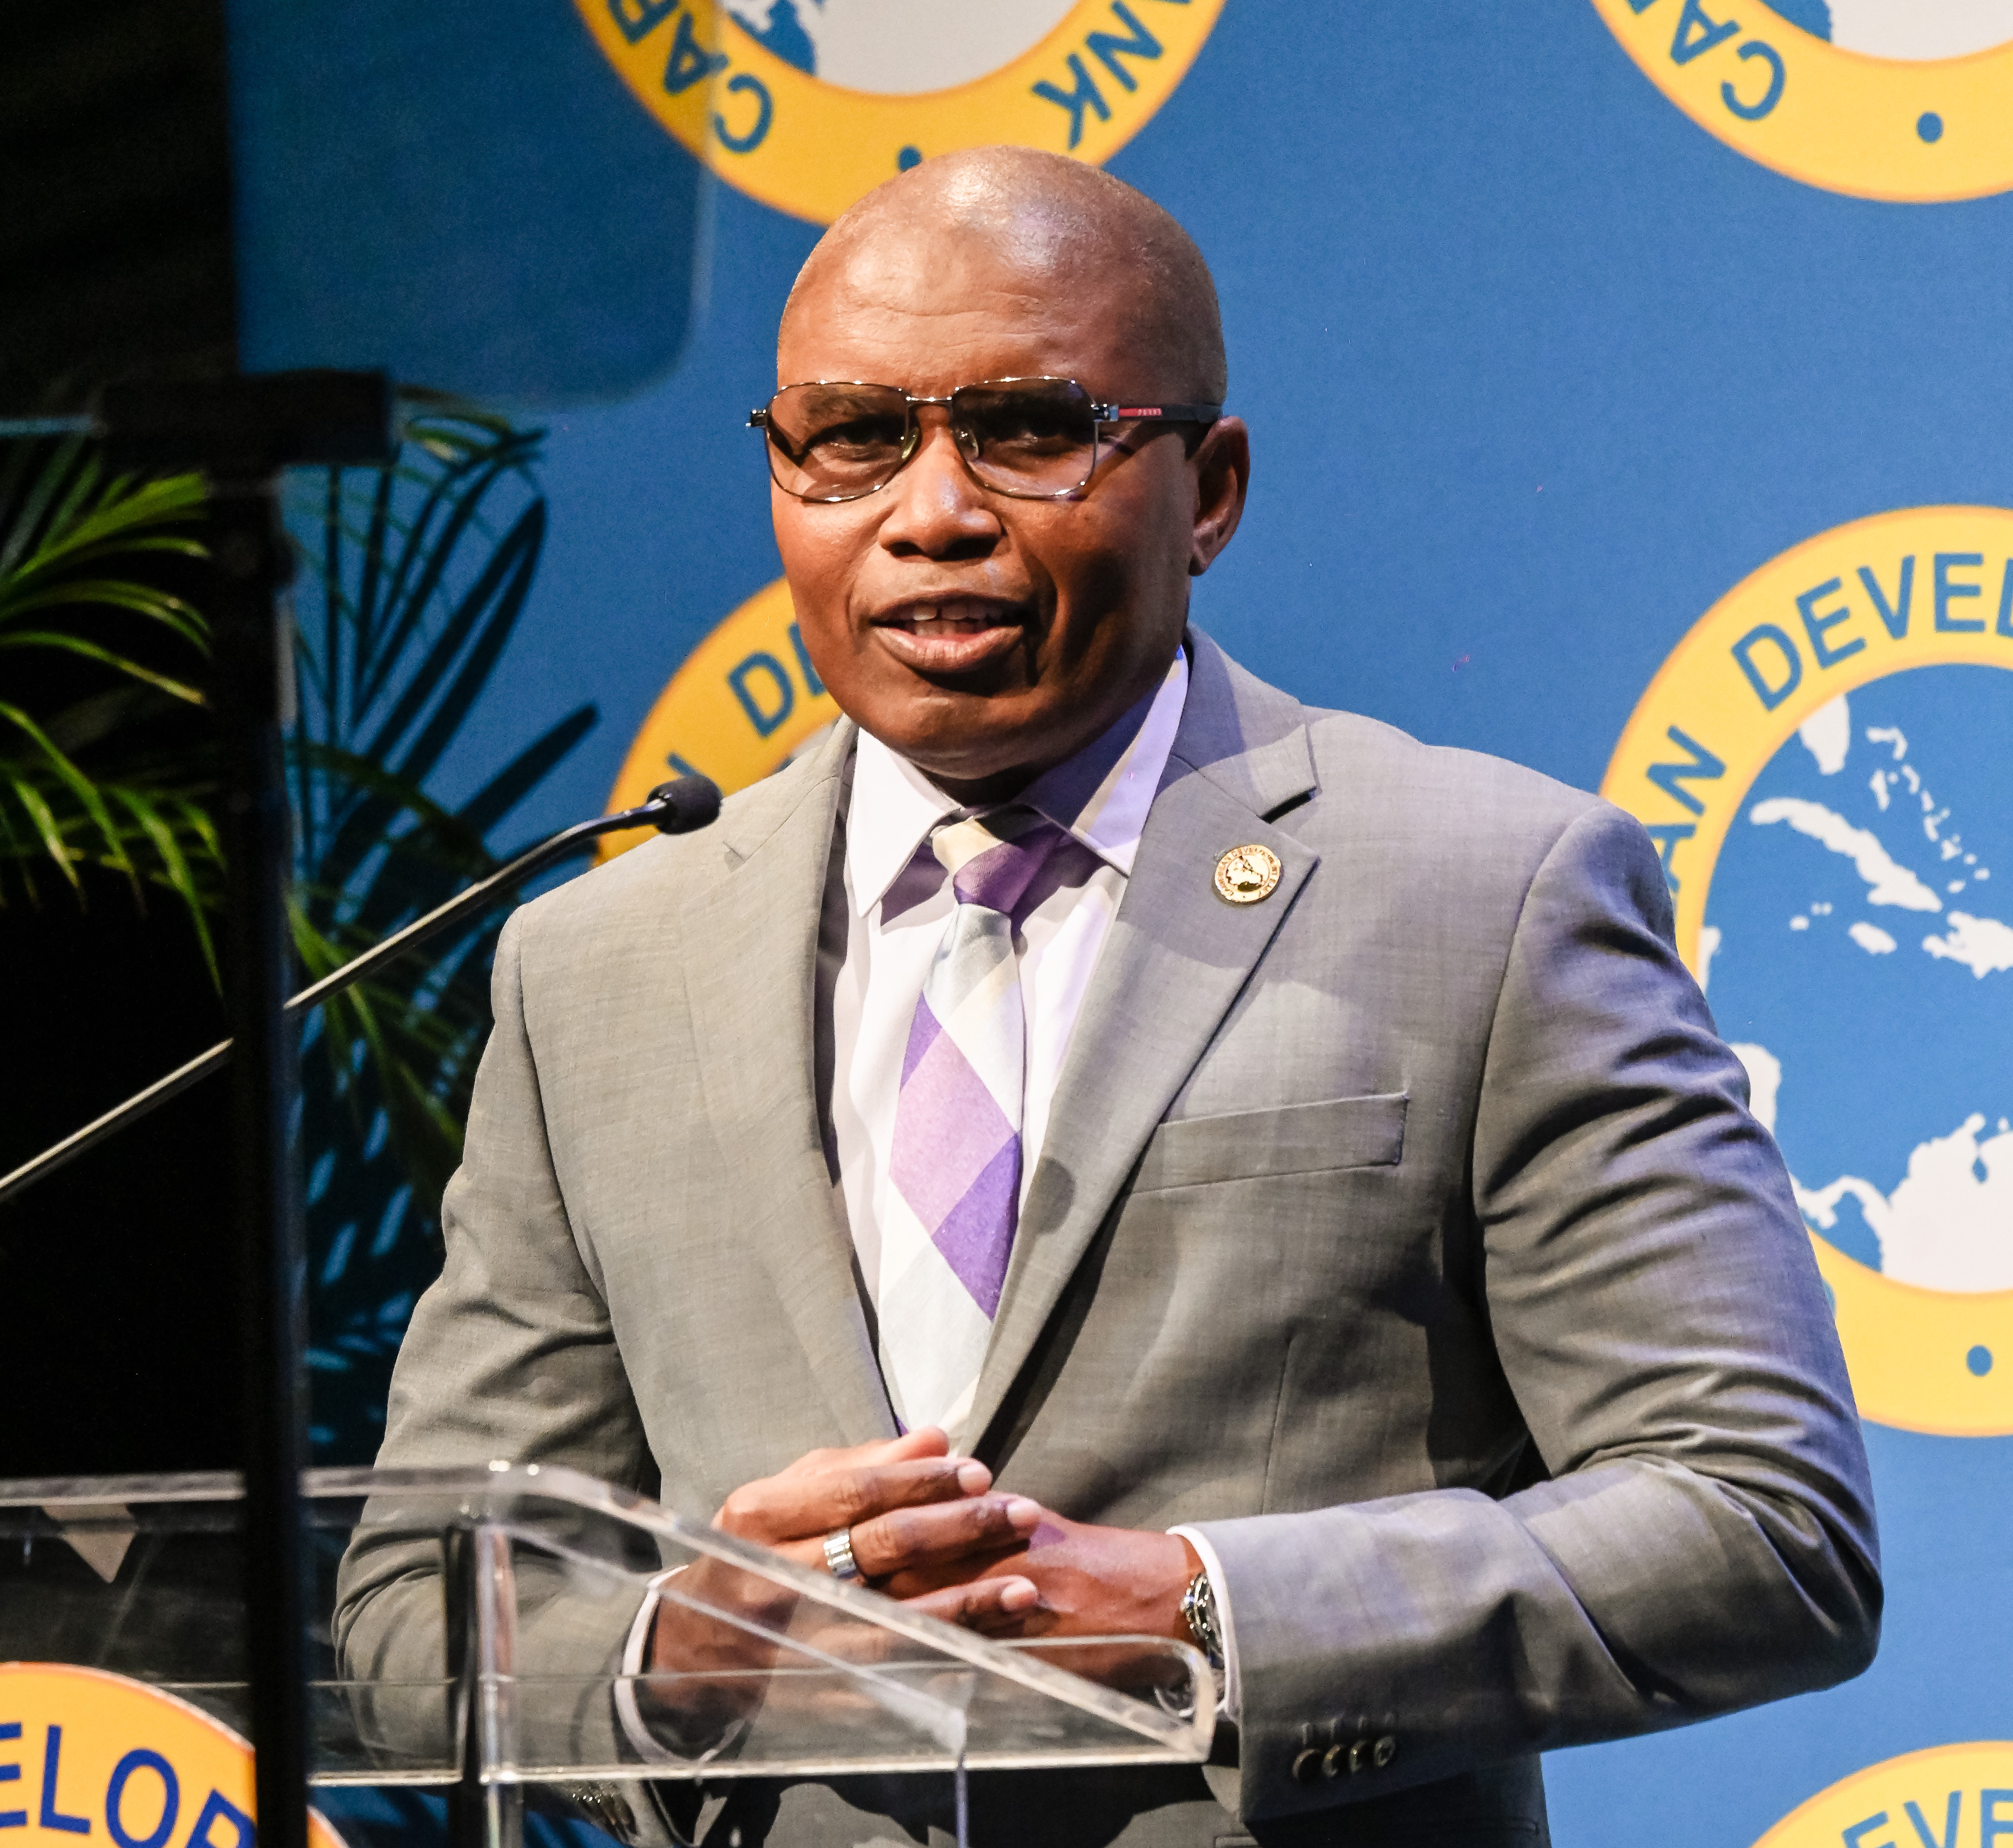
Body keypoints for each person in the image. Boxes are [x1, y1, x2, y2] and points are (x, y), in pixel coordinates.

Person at [338, 146, 1880, 1846]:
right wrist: (673, 1649)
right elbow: (417, 1616)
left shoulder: (1485, 891)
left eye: (1029, 427)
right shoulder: (599, 967)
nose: (929, 511)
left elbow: (1760, 1523)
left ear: (1207, 490)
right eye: (851, 438)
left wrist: (1207, 1611)